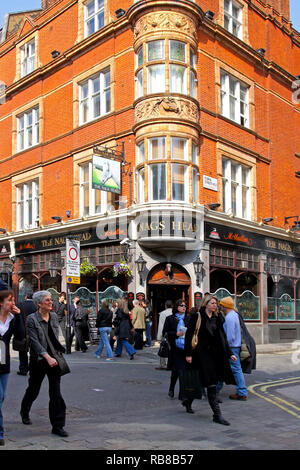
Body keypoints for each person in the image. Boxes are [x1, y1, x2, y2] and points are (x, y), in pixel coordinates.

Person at [20, 290, 68, 437]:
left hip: (54, 360)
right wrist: (47, 357)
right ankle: (25, 410)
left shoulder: (53, 316)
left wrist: (59, 352)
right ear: (38, 303)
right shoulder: (31, 319)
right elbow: (34, 342)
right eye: (47, 300)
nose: (50, 302)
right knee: (33, 389)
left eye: (50, 299)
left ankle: (57, 426)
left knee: (55, 393)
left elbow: (56, 337)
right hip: (39, 361)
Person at [184, 295, 237, 425]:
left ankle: (192, 403)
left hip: (214, 356)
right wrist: (188, 354)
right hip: (200, 355)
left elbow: (222, 337)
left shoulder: (218, 317)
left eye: (216, 303)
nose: (215, 305)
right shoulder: (197, 316)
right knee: (204, 383)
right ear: (206, 304)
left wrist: (229, 353)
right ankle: (213, 413)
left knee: (207, 383)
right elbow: (189, 335)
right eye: (212, 303)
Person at [0, 290, 25, 446]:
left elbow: (21, 335)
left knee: (2, 397)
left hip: (4, 361)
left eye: (13, 300)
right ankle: (0, 432)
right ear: (1, 302)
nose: (13, 303)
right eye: (10, 300)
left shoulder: (12, 318)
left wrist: (19, 316)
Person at [216, 296, 251, 401]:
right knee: (230, 369)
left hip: (231, 347)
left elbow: (230, 336)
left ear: (224, 306)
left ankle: (241, 392)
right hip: (234, 347)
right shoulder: (234, 315)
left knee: (235, 369)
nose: (220, 307)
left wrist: (225, 347)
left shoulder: (229, 317)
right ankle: (218, 389)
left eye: (221, 305)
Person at [162, 299, 190, 400]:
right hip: (175, 348)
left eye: (185, 306)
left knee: (183, 371)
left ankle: (182, 393)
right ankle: (171, 388)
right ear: (177, 307)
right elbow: (165, 333)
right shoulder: (170, 319)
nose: (184, 307)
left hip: (186, 348)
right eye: (182, 305)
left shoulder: (188, 318)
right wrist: (175, 334)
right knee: (176, 371)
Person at [16, 291, 36, 376]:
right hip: (34, 332)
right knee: (34, 351)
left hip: (22, 331)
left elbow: (16, 319)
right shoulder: (36, 306)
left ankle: (23, 369)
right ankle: (33, 369)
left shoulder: (20, 305)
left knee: (22, 351)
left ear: (25, 297)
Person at [156, 300, 173, 370]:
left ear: (165, 306)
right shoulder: (175, 312)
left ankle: (163, 364)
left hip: (165, 334)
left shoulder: (163, 314)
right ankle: (171, 363)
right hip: (173, 333)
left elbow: (161, 325)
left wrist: (159, 336)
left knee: (163, 348)